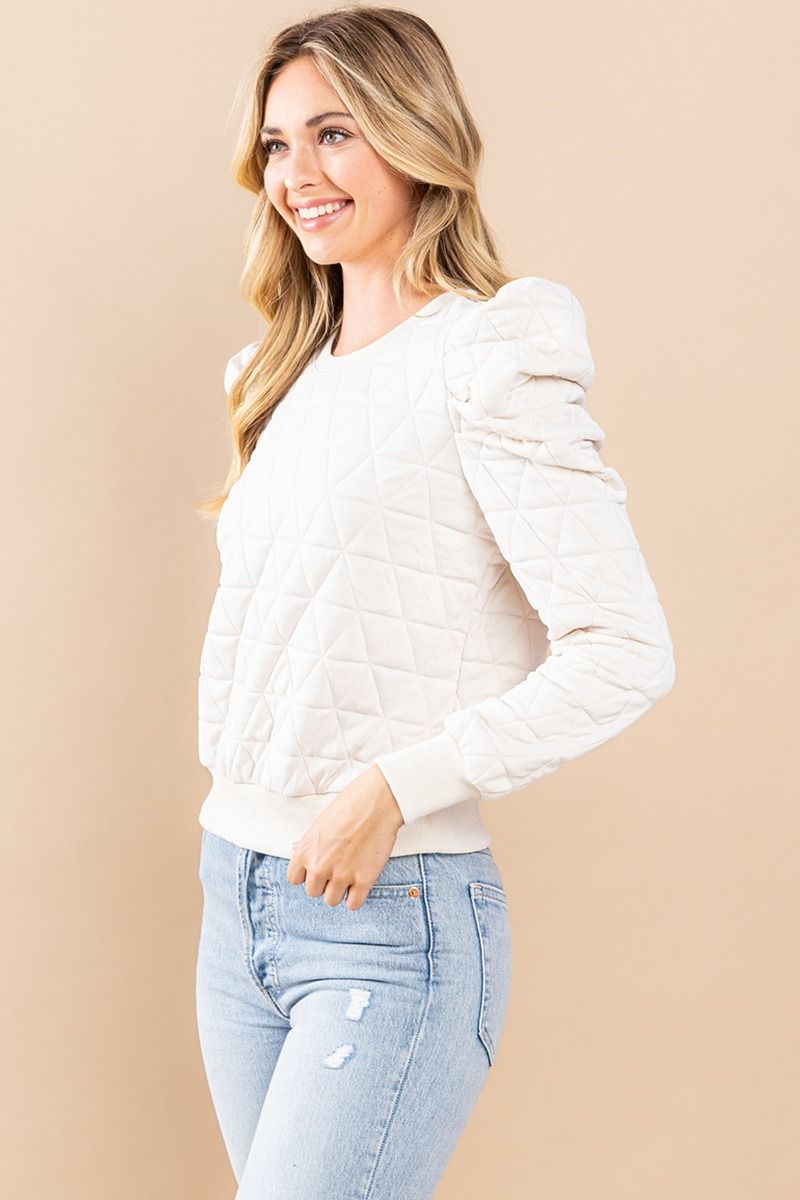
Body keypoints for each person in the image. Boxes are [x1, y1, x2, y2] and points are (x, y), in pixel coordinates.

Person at [193, 7, 676, 1198]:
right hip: (234, 900)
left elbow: (624, 648)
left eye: (334, 133)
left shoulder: (489, 357)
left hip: (389, 916)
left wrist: (394, 787)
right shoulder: (275, 379)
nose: (297, 175)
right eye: (277, 145)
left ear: (415, 133)